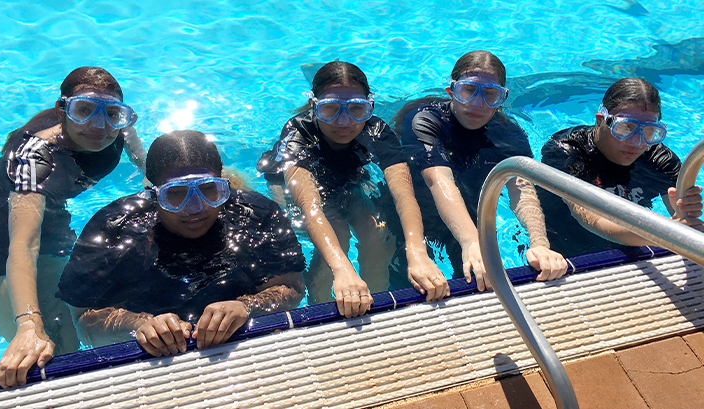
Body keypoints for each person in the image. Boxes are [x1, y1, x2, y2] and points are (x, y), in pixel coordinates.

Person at [57, 130, 306, 358]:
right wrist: (138, 324)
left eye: (209, 190)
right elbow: (83, 319)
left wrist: (246, 306)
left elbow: (293, 288)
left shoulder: (257, 214)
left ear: (224, 187)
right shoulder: (114, 230)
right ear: (153, 195)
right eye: (175, 193)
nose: (195, 208)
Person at [0, 67, 145, 388]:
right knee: (53, 352)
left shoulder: (117, 127)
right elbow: (23, 244)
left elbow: (135, 148)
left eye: (113, 113)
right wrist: (28, 324)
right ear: (63, 110)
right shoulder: (33, 158)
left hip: (51, 214)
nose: (99, 126)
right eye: (84, 110)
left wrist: (148, 168)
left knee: (80, 325)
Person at [257, 61, 448, 318]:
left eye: (357, 109)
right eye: (331, 109)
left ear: (370, 106)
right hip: (290, 182)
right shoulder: (299, 132)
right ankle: (321, 310)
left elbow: (404, 194)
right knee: (338, 238)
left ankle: (378, 308)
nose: (344, 122)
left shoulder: (377, 131)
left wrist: (417, 252)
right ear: (314, 106)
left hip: (345, 179)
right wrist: (343, 271)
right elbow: (311, 208)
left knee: (378, 233)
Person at [394, 50, 567, 292]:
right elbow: (437, 179)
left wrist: (540, 243)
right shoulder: (424, 120)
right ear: (451, 91)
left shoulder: (510, 134)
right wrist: (472, 241)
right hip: (416, 213)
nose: (477, 104)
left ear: (502, 98)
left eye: (490, 94)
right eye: (468, 90)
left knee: (477, 280)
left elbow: (521, 188)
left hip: (469, 209)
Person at [539, 77, 703, 257]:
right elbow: (588, 217)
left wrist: (684, 215)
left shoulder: (660, 160)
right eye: (625, 128)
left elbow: (682, 221)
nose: (637, 142)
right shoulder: (567, 150)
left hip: (634, 241)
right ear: (601, 121)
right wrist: (667, 232)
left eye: (649, 131)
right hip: (564, 246)